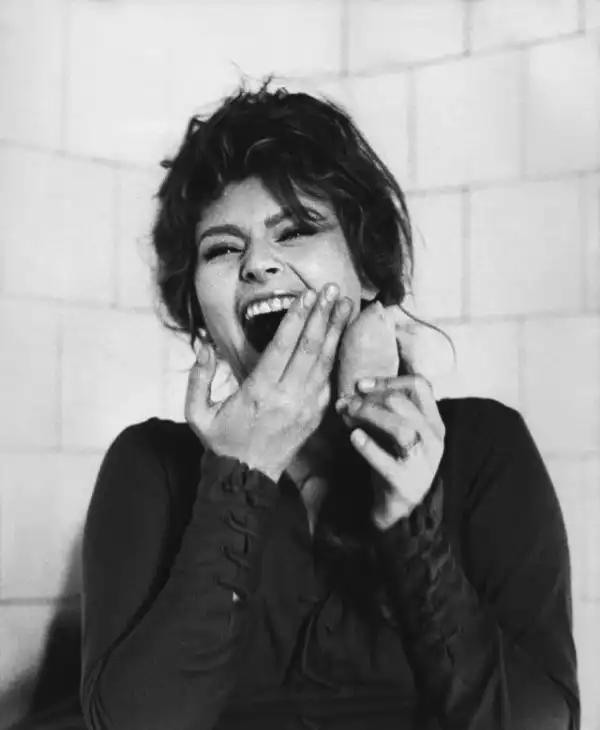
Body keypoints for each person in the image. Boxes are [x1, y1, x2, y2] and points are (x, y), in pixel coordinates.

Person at [80, 82, 580, 730]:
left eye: (296, 231)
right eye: (222, 248)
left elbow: (543, 722)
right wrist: (240, 478)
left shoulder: (484, 448)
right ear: (200, 311)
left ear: (368, 274)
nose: (258, 263)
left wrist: (414, 529)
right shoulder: (150, 466)